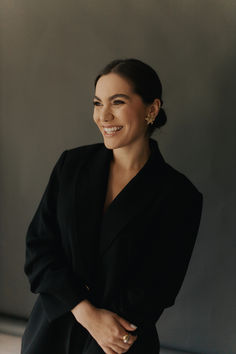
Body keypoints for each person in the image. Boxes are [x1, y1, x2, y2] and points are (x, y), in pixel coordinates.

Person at [21, 58, 203, 354]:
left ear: (151, 109)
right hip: (48, 335)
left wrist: (102, 331)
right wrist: (85, 313)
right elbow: (39, 250)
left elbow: (157, 287)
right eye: (97, 103)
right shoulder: (72, 166)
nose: (103, 116)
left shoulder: (179, 195)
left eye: (117, 102)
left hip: (119, 344)